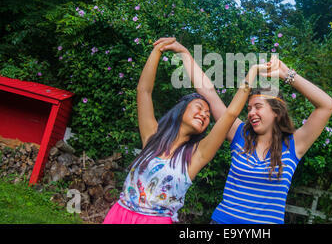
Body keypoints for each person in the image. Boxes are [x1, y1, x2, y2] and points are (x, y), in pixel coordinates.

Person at [103, 37, 272, 224]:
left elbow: (230, 114)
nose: (204, 114)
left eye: (208, 114)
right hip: (119, 214)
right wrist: (158, 50)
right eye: (199, 107)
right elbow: (144, 91)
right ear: (181, 110)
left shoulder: (197, 154)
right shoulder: (151, 137)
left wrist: (253, 73)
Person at [172, 41, 332, 224]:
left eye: (258, 107)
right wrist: (184, 53)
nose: (251, 113)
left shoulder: (294, 144)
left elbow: (326, 106)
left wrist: (286, 74)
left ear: (276, 111)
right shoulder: (239, 134)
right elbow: (209, 93)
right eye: (249, 108)